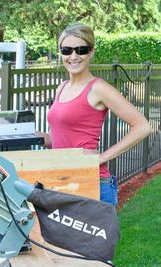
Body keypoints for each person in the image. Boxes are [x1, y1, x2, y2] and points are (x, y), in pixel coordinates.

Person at [38, 23, 153, 206]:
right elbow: (62, 139)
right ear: (60, 53)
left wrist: (102, 157)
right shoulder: (62, 88)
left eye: (81, 50)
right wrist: (35, 137)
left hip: (92, 182)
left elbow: (143, 127)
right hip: (61, 180)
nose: (73, 56)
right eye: (67, 50)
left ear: (91, 52)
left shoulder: (98, 88)